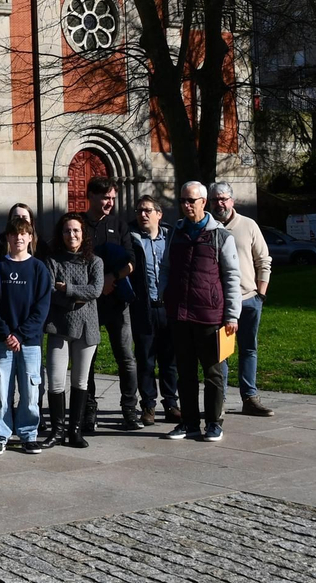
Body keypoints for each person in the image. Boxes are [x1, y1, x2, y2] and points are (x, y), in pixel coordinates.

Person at [161, 182, 241, 443]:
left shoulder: (220, 236)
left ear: (203, 202)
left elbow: (231, 277)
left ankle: (214, 423)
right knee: (184, 372)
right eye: (183, 200)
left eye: (191, 200)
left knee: (213, 372)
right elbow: (166, 268)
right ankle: (189, 422)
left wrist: (232, 315)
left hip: (211, 316)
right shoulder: (176, 233)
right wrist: (165, 296)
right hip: (180, 314)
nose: (186, 205)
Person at [80, 177, 142, 433]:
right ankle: (89, 410)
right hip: (88, 305)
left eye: (113, 198)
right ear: (91, 196)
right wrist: (95, 286)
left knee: (126, 358)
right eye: (105, 197)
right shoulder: (78, 225)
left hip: (117, 302)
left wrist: (111, 279)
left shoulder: (119, 225)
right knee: (88, 360)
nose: (110, 203)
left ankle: (130, 409)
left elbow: (131, 261)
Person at [0, 216, 51, 455]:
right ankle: (0, 434)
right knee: (1, 388)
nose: (19, 238)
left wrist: (21, 335)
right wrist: (6, 334)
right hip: (4, 342)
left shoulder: (38, 269)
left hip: (30, 342)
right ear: (8, 238)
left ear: (30, 238)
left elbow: (41, 308)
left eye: (24, 234)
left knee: (30, 390)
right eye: (14, 234)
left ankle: (28, 434)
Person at [209, 182, 274, 417]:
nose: (220, 204)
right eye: (216, 199)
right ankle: (220, 401)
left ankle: (249, 397)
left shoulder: (248, 225)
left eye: (224, 199)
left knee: (249, 349)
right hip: (219, 303)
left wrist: (261, 294)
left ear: (232, 201)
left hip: (249, 300)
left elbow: (263, 260)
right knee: (222, 353)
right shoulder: (208, 227)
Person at [41, 213, 103, 449]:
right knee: (56, 381)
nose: (72, 235)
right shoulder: (53, 261)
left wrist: (67, 289)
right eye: (67, 231)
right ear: (61, 234)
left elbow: (95, 290)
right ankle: (57, 431)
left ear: (83, 234)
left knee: (80, 381)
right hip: (59, 327)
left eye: (76, 230)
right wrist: (75, 298)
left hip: (87, 328)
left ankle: (74, 431)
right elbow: (49, 291)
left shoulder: (95, 261)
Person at [129, 195, 178, 425]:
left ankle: (171, 404)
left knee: (170, 359)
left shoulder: (171, 238)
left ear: (159, 214)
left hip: (168, 307)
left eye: (148, 210)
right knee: (146, 360)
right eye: (139, 210)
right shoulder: (131, 238)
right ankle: (148, 406)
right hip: (144, 307)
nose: (143, 214)